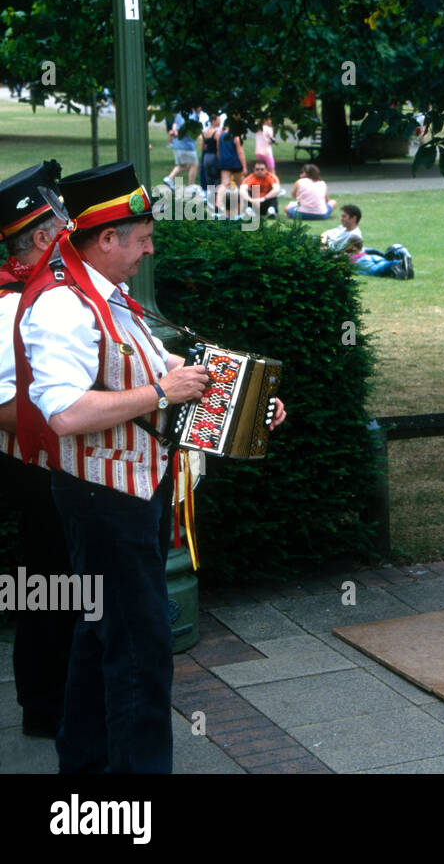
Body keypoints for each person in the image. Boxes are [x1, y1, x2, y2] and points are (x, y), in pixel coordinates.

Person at [14, 161, 285, 773]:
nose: (150, 248)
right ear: (107, 239)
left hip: (122, 495)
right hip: (101, 501)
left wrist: (246, 404)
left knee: (97, 637)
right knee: (140, 649)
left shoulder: (102, 295)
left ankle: (83, 772)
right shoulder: (62, 306)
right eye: (142, 238)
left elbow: (163, 366)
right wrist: (164, 392)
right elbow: (63, 412)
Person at [0, 161, 74, 739]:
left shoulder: (58, 291)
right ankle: (46, 706)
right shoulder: (8, 307)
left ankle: (62, 696)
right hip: (33, 465)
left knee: (66, 580)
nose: (72, 231)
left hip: (64, 457)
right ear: (42, 237)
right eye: (63, 225)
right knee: (50, 581)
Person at [163, 106, 203, 189]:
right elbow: (187, 130)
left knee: (183, 165)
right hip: (186, 145)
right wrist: (177, 133)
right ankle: (191, 186)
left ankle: (169, 178)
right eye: (200, 107)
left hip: (177, 144)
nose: (201, 109)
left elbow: (175, 124)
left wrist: (174, 131)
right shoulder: (192, 116)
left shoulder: (181, 113)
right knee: (194, 165)